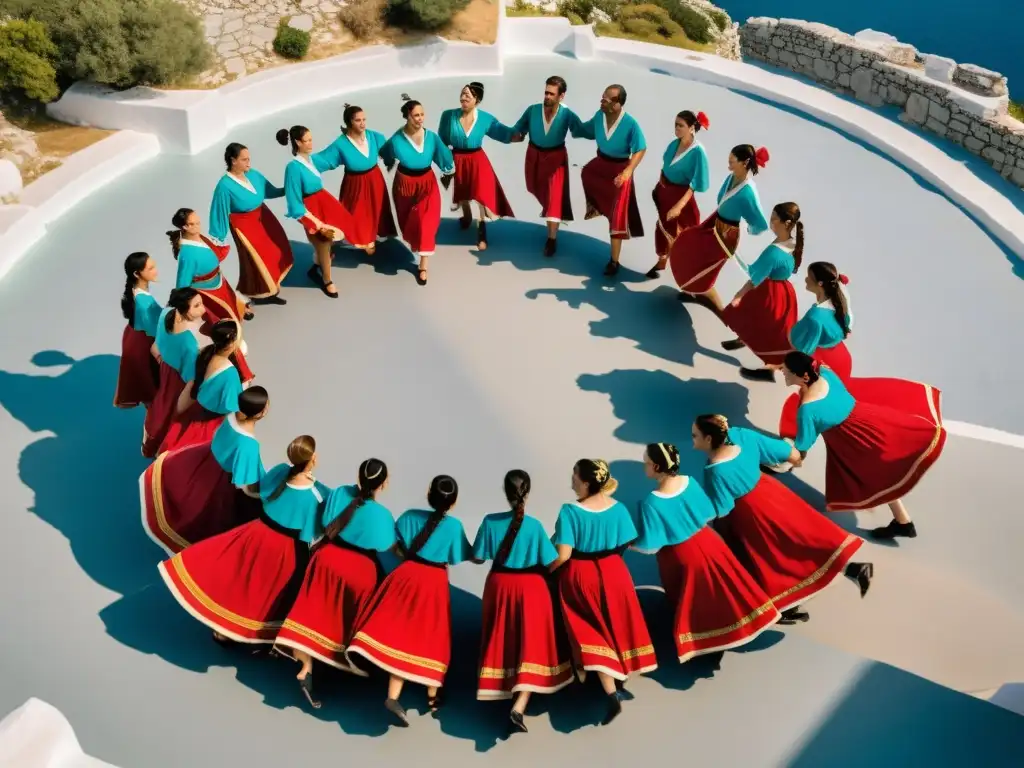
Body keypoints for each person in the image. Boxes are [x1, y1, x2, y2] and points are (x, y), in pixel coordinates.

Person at [693, 415, 872, 626]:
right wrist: (796, 458)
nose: (693, 439)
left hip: (750, 515)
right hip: (773, 494)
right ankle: (851, 568)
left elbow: (722, 508)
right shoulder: (742, 435)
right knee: (803, 537)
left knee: (768, 558)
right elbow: (783, 451)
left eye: (695, 435)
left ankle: (785, 606)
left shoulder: (715, 470)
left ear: (709, 439)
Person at [158, 435, 327, 645]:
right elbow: (313, 533)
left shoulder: (279, 471)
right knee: (267, 592)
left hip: (256, 533)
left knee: (238, 581)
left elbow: (260, 492)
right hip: (286, 550)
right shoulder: (317, 495)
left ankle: (223, 629)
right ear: (312, 460)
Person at [633, 443, 780, 664]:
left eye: (645, 462)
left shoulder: (651, 502)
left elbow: (651, 545)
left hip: (681, 556)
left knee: (693, 602)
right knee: (723, 590)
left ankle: (705, 643)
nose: (644, 467)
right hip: (710, 543)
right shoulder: (690, 482)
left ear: (655, 466)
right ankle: (736, 629)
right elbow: (708, 512)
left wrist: (630, 544)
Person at [346, 475, 471, 727]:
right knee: (433, 637)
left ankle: (393, 696)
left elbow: (395, 543)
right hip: (433, 583)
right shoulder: (455, 526)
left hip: (405, 575)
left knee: (401, 635)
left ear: (428, 494)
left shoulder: (410, 516)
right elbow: (465, 555)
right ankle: (433, 695)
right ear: (454, 502)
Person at [779, 352, 946, 541]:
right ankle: (903, 522)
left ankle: (904, 523)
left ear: (804, 376)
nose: (782, 371)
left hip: (853, 441)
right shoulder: (825, 373)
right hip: (869, 421)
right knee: (881, 475)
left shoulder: (807, 410)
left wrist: (772, 454)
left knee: (875, 477)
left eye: (786, 370)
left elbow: (802, 447)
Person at [274, 458, 396, 709]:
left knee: (311, 611)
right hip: (360, 570)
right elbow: (386, 546)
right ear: (382, 485)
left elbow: (323, 522)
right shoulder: (383, 516)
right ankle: (345, 655)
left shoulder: (340, 492)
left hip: (325, 559)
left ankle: (305, 667)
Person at [549, 459, 657, 726]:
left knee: (586, 630)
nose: (571, 481)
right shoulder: (618, 508)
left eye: (574, 476)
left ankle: (604, 688)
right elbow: (626, 542)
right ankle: (618, 675)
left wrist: (547, 570)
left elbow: (563, 555)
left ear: (586, 482)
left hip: (581, 574)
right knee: (615, 623)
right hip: (615, 573)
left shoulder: (570, 511)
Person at [473, 469, 572, 733]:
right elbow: (552, 562)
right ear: (527, 492)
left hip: (499, 585)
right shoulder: (535, 526)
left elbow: (479, 556)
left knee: (503, 638)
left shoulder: (489, 522)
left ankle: (499, 687)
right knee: (531, 645)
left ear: (505, 492)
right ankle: (520, 705)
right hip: (531, 589)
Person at [141, 386, 267, 555]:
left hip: (206, 461)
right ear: (259, 414)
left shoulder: (231, 417)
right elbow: (245, 485)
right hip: (220, 483)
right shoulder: (249, 446)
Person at [669, 145, 770, 314]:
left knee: (705, 268)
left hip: (725, 237)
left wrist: (745, 229)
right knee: (686, 246)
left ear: (744, 163)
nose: (728, 165)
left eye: (732, 161)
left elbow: (760, 224)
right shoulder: (731, 177)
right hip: (714, 223)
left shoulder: (748, 192)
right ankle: (691, 290)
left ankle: (721, 311)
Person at [168, 207, 255, 382]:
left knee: (231, 310)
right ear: (184, 227)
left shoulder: (199, 238)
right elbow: (183, 283)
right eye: (192, 224)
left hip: (219, 283)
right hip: (208, 293)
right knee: (222, 322)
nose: (197, 227)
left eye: (198, 222)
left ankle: (237, 328)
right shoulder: (187, 254)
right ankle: (236, 361)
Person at [720, 202, 803, 381]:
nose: (771, 222)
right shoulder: (791, 242)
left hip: (769, 294)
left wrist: (734, 253)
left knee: (762, 325)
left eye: (774, 219)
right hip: (784, 293)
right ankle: (745, 340)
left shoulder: (773, 253)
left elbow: (752, 275)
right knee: (763, 323)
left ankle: (770, 366)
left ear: (786, 223)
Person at [380, 98, 456, 286]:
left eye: (422, 114)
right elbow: (386, 153)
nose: (420, 118)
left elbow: (443, 156)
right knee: (408, 222)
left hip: (427, 184)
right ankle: (415, 244)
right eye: (416, 115)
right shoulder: (397, 139)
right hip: (404, 185)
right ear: (407, 116)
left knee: (426, 221)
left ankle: (423, 265)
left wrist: (448, 173)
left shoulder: (431, 137)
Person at [574, 84, 647, 276]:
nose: (602, 101)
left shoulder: (631, 124)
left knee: (617, 218)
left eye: (606, 99)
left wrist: (628, 171)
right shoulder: (600, 116)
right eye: (602, 97)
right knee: (586, 172)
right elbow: (587, 130)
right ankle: (602, 207)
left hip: (620, 171)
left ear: (617, 103)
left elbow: (640, 148)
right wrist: (570, 122)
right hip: (601, 164)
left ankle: (614, 262)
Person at [277, 124, 357, 299]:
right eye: (307, 141)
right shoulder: (293, 167)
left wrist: (348, 136)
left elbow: (330, 157)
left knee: (334, 237)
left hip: (324, 201)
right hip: (310, 208)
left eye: (311, 139)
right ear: (298, 142)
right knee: (323, 242)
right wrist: (314, 222)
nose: (311, 143)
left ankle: (320, 263)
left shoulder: (311, 160)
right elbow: (294, 200)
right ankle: (327, 280)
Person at [208, 143, 292, 306]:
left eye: (249, 159)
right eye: (244, 160)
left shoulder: (253, 174)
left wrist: (289, 188)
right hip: (244, 226)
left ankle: (271, 287)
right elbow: (219, 211)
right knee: (256, 260)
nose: (249, 163)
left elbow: (270, 191)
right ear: (233, 161)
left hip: (264, 217)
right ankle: (261, 292)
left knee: (275, 250)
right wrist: (218, 241)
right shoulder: (224, 186)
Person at [437, 81, 518, 250]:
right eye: (463, 93)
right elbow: (441, 140)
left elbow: (501, 131)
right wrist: (444, 163)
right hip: (457, 158)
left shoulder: (485, 119)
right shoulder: (448, 116)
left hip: (477, 160)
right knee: (463, 192)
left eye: (469, 94)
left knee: (481, 196)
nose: (464, 96)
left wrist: (514, 136)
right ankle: (466, 216)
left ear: (477, 100)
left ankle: (482, 232)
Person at [509, 75, 584, 256]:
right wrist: (511, 135)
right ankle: (552, 213)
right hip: (534, 156)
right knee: (533, 187)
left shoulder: (567, 114)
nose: (547, 96)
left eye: (551, 94)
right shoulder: (532, 110)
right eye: (546, 93)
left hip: (556, 159)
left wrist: (601, 125)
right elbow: (518, 128)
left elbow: (582, 130)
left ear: (561, 96)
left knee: (554, 199)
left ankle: (552, 238)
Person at [316, 104, 397, 256]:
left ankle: (371, 238)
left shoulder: (375, 137)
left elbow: (390, 151)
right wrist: (303, 162)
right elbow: (323, 159)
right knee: (355, 212)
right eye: (358, 120)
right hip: (354, 183)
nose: (362, 123)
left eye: (364, 119)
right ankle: (361, 238)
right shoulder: (341, 144)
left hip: (374, 179)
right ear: (349, 122)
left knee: (376, 209)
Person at [158, 319, 245, 456]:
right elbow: (232, 409)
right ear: (232, 343)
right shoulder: (230, 374)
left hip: (196, 413)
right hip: (214, 425)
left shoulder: (205, 354)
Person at [142, 288, 205, 458]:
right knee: (174, 417)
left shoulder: (166, 314)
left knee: (161, 405)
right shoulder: (190, 344)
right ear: (184, 309)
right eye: (197, 306)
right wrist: (179, 411)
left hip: (166, 370)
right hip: (179, 383)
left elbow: (156, 345)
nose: (203, 310)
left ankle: (151, 443)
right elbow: (191, 384)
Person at [647, 110, 710, 279]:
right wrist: (659, 187)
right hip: (665, 191)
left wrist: (679, 206)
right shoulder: (674, 143)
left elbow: (696, 184)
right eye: (675, 124)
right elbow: (665, 165)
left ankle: (688, 275)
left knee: (685, 236)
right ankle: (662, 260)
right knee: (661, 228)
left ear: (691, 128)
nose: (676, 128)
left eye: (681, 125)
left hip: (681, 197)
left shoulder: (698, 151)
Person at [788, 261, 854, 381]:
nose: (806, 279)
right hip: (841, 357)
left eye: (809, 277)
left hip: (827, 366)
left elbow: (804, 351)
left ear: (820, 283)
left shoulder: (815, 316)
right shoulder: (839, 302)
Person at [115, 252, 162, 409]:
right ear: (137, 273)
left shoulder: (136, 293)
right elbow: (156, 331)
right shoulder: (143, 303)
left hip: (135, 338)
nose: (156, 271)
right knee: (154, 388)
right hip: (145, 344)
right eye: (151, 268)